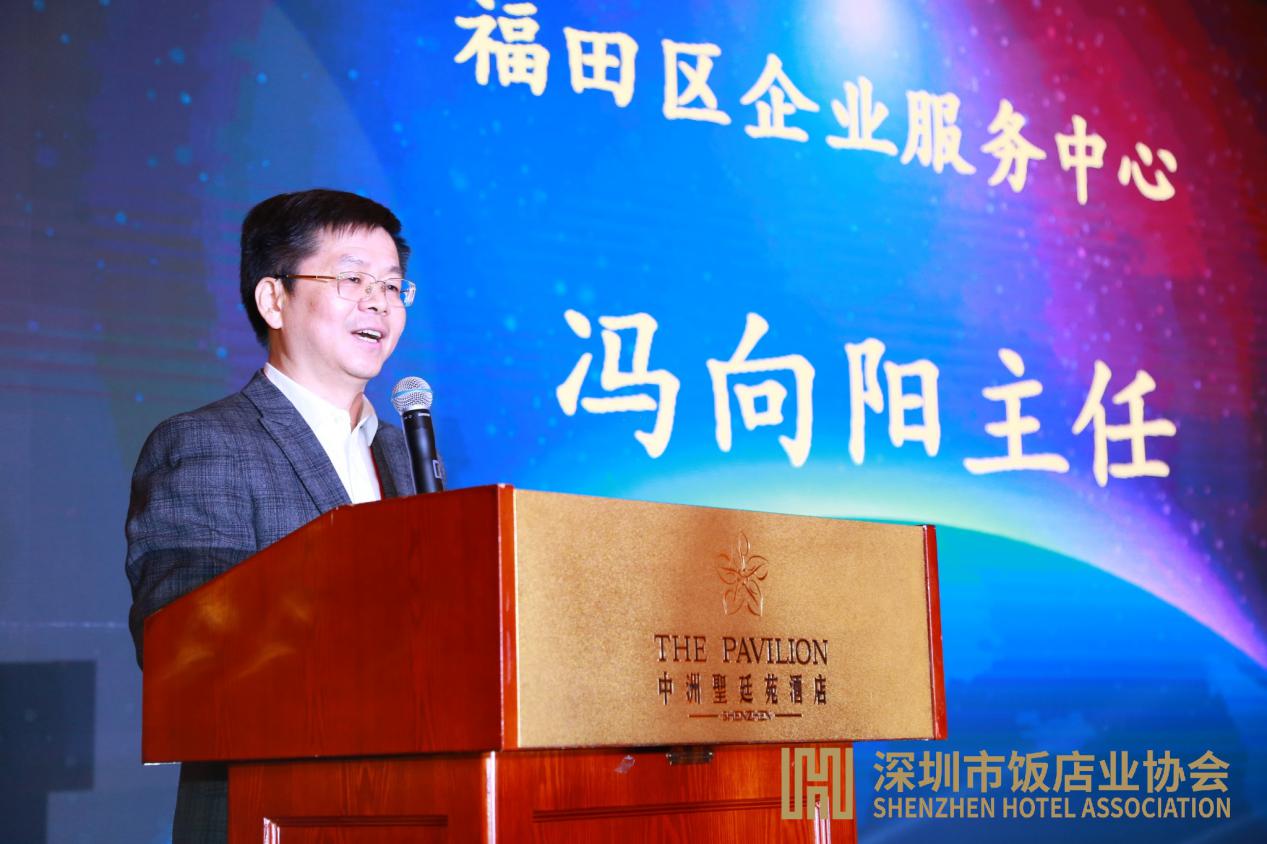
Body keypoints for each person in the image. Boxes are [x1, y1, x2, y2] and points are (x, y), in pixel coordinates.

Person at [124, 189, 418, 843]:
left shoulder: (406, 453)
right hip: (268, 810)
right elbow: (184, 646)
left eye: (392, 285)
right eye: (352, 280)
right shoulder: (207, 442)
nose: (378, 302)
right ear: (274, 299)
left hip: (413, 805)